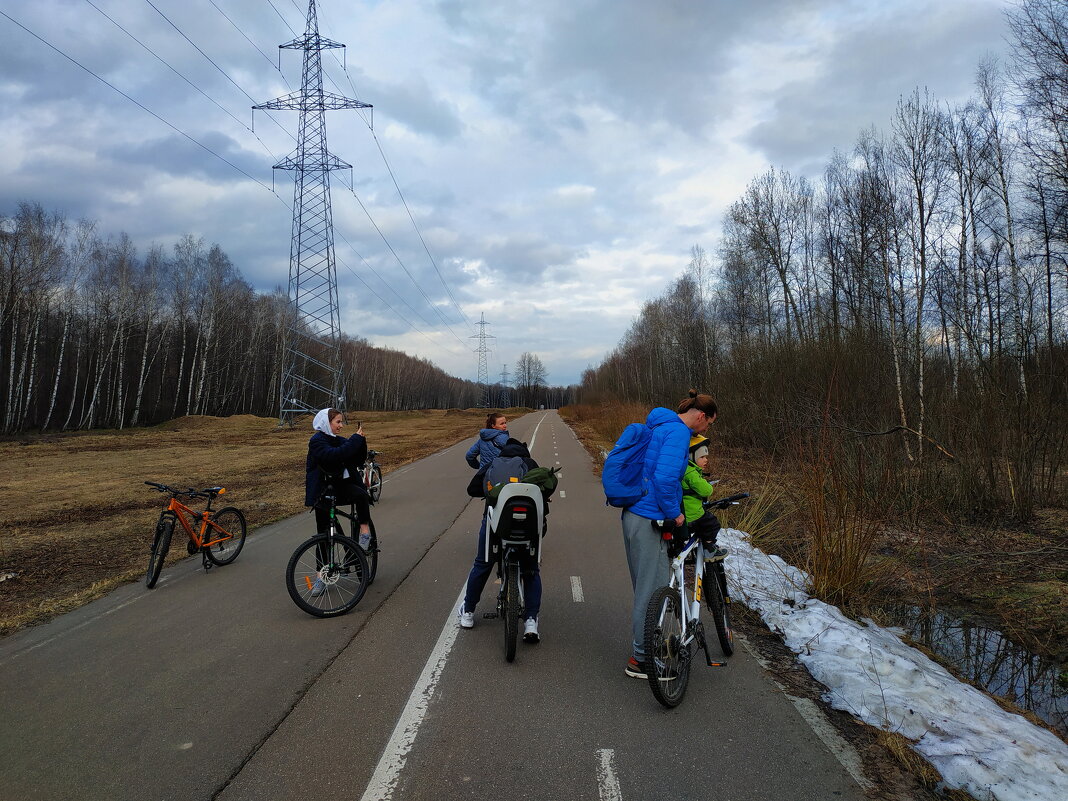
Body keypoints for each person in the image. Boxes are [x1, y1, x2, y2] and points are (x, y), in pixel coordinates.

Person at [620, 389, 718, 679]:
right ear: (701, 416)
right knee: (651, 594)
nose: (706, 429)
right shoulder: (677, 433)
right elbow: (663, 478)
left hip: (634, 513)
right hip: (651, 517)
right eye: (709, 424)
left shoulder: (658, 425)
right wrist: (675, 513)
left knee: (646, 588)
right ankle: (642, 661)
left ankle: (646, 651)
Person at [457, 437, 545, 644]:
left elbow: (472, 489)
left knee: (482, 564)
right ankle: (531, 621)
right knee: (531, 570)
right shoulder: (531, 465)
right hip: (527, 528)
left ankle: (468, 611)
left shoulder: (492, 464)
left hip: (496, 525)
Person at [305, 408, 373, 558]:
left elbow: (357, 459)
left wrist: (361, 442)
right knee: (323, 535)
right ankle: (320, 575)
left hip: (339, 487)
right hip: (322, 492)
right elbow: (333, 455)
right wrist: (355, 440)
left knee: (361, 495)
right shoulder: (317, 441)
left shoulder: (338, 440)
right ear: (326, 423)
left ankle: (364, 531)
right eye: (338, 422)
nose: (341, 425)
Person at [681, 435, 726, 560]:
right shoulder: (690, 472)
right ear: (691, 456)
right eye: (702, 457)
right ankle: (709, 549)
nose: (706, 460)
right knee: (712, 524)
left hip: (682, 513)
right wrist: (708, 485)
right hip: (692, 514)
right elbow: (706, 490)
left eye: (706, 457)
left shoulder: (682, 469)